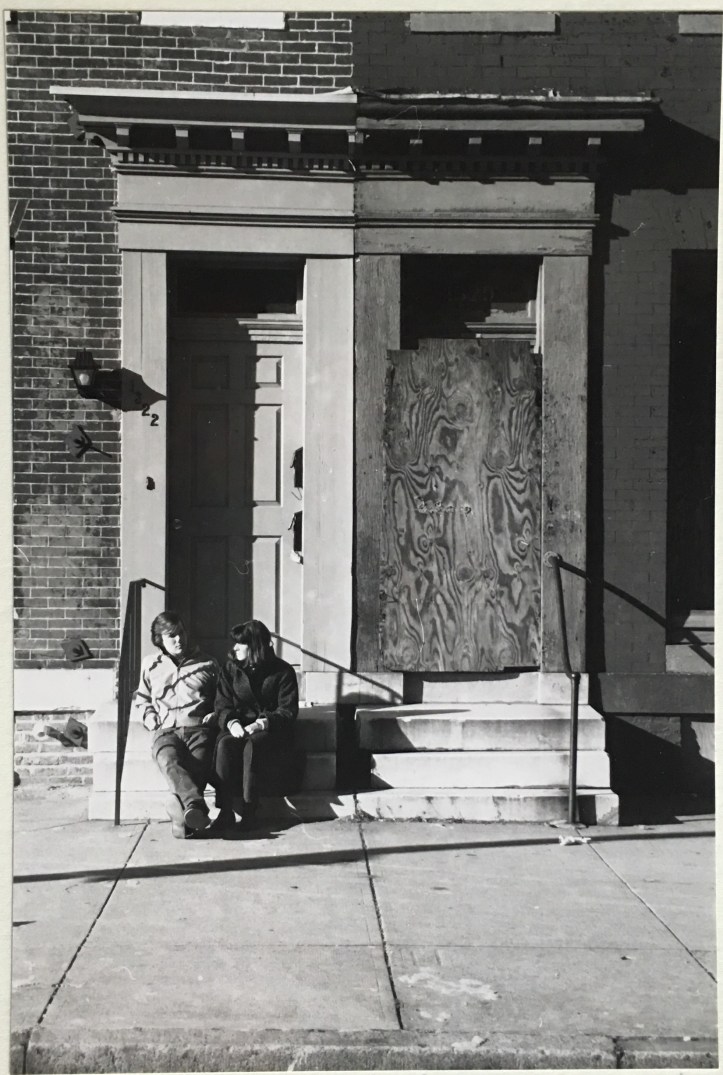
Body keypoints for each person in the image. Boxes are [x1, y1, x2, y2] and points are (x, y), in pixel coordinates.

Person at [133, 611, 219, 839]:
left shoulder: (208, 663)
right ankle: (194, 809)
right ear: (159, 639)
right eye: (171, 636)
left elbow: (222, 698)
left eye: (181, 633)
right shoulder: (150, 665)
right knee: (167, 758)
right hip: (167, 730)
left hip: (198, 729)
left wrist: (215, 714)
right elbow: (142, 698)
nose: (179, 639)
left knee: (198, 764)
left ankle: (183, 814)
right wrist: (151, 718)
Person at [211, 619, 299, 834]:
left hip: (270, 731)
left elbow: (287, 711)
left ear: (255, 646)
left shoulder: (283, 671)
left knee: (253, 745)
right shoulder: (231, 668)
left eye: (241, 644)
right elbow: (222, 704)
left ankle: (250, 810)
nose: (235, 648)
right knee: (225, 745)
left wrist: (262, 723)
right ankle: (225, 812)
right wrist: (231, 723)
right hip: (239, 726)